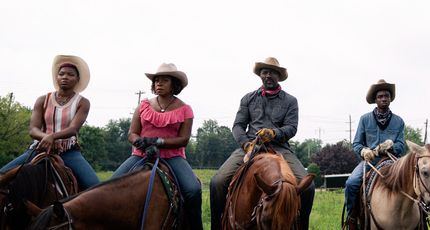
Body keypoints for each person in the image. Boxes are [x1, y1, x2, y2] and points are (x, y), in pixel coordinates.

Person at [209, 57, 315, 230]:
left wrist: (274, 133)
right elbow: (237, 126)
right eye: (265, 72)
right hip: (250, 146)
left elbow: (291, 128)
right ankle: (217, 226)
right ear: (260, 75)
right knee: (217, 182)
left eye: (272, 72)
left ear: (279, 76)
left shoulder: (290, 101)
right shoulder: (248, 98)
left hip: (280, 148)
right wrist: (246, 144)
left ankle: (301, 225)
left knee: (307, 187)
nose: (268, 75)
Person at [110, 63, 202, 230]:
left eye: (164, 80)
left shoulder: (185, 109)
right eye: (156, 80)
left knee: (193, 190)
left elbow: (184, 139)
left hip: (172, 156)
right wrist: (141, 143)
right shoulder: (143, 105)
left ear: (174, 84)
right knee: (110, 185)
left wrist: (158, 142)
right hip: (141, 154)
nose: (159, 83)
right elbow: (132, 133)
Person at [0, 55, 99, 190]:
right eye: (61, 74)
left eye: (70, 74)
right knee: (2, 175)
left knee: (94, 186)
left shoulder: (82, 102)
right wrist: (45, 138)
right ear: (57, 77)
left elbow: (73, 129)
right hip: (39, 149)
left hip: (67, 151)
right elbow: (33, 129)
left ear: (77, 79)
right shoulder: (43, 99)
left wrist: (52, 137)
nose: (65, 77)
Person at [343, 79, 406, 222]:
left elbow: (401, 145)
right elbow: (357, 143)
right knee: (351, 183)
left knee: (413, 182)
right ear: (375, 100)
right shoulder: (365, 119)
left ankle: (421, 218)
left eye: (386, 96)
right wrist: (364, 151)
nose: (384, 98)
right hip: (370, 161)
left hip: (392, 161)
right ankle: (352, 218)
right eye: (380, 96)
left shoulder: (399, 121)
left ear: (390, 99)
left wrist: (391, 146)